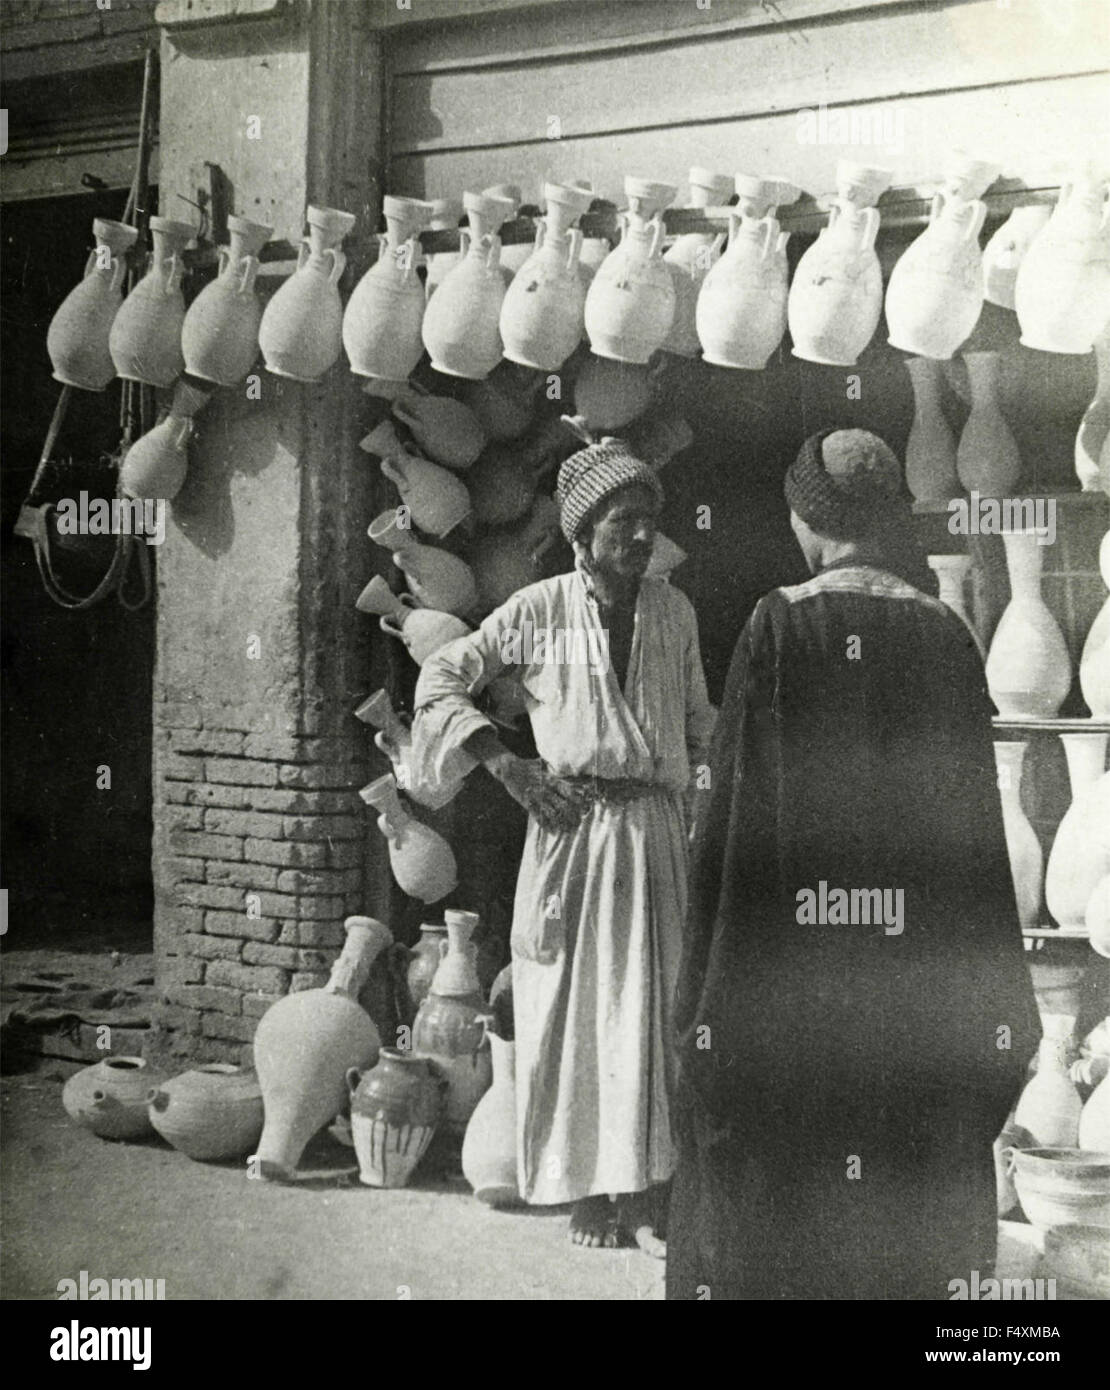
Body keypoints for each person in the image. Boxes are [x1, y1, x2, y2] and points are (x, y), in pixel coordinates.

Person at [666, 428, 1039, 1301]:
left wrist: (709, 1003)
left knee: (786, 1196)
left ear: (806, 514)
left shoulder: (781, 624)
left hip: (798, 988)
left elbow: (734, 836)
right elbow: (976, 842)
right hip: (911, 989)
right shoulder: (947, 633)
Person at [412, 428, 715, 1252]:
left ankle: (647, 1189)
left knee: (651, 1013)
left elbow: (697, 724)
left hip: (652, 833)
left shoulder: (674, 611)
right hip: (572, 831)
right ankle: (586, 1191)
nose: (643, 538)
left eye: (649, 520)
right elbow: (441, 676)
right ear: (582, 538)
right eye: (623, 523)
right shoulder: (539, 609)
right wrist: (508, 768)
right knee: (573, 1011)